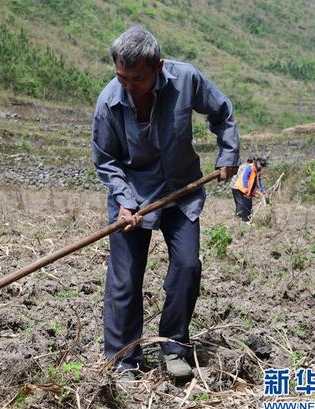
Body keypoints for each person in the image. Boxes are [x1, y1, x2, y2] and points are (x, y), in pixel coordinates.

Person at [92, 26, 240, 379]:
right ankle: (124, 359)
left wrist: (228, 152)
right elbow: (106, 160)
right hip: (132, 199)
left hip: (180, 192)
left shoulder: (186, 79)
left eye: (137, 79)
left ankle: (174, 346)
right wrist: (126, 203)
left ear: (157, 66)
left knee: (188, 268)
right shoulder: (108, 102)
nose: (128, 86)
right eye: (121, 77)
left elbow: (221, 111)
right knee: (125, 280)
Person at [231, 157, 267, 222]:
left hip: (247, 190)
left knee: (248, 204)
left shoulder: (258, 170)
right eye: (260, 165)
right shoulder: (250, 167)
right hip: (240, 188)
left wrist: (262, 190)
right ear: (257, 162)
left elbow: (258, 181)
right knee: (242, 204)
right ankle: (241, 220)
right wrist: (246, 187)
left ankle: (247, 220)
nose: (260, 167)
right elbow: (245, 176)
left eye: (261, 166)